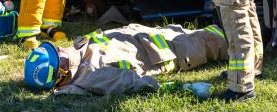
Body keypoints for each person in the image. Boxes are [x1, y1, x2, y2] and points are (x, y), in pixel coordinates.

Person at [24, 23, 228, 96]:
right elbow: (136, 84)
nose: (61, 49)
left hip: (150, 35)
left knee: (212, 30)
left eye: (55, 49)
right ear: (60, 74)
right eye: (58, 55)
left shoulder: (75, 52)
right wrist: (186, 88)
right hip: (171, 52)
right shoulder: (94, 77)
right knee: (222, 41)